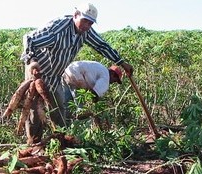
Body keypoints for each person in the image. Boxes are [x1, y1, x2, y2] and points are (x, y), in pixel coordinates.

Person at [20, 2, 134, 144]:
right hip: (38, 72)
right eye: (84, 21)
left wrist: (121, 62)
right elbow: (29, 38)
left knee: (58, 109)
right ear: (75, 15)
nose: (86, 26)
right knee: (35, 110)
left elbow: (101, 45)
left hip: (56, 75)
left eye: (90, 23)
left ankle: (62, 143)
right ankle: (34, 143)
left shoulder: (85, 32)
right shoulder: (58, 28)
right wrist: (32, 60)